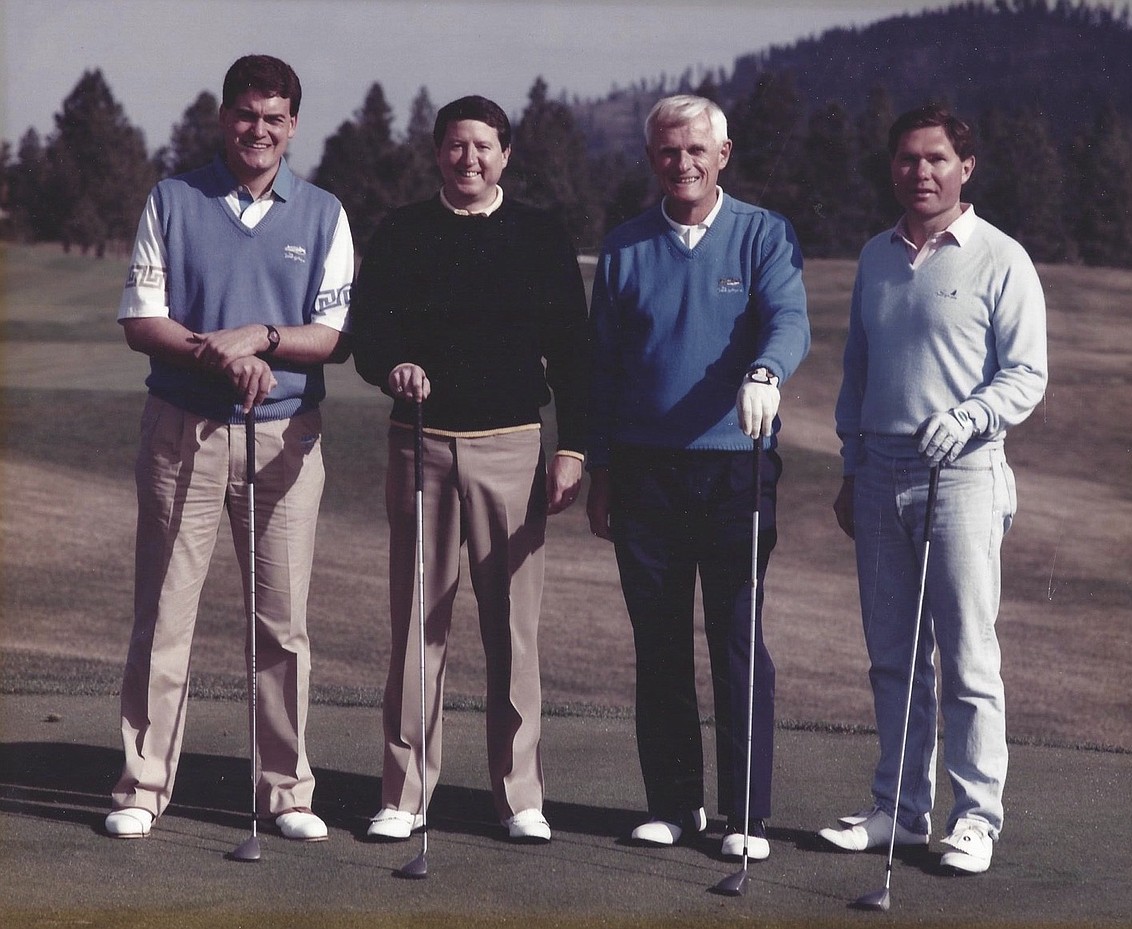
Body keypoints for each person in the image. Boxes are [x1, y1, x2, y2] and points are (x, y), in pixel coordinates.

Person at [105, 55, 354, 843]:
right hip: (185, 431)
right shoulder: (173, 199)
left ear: (293, 125)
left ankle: (287, 790)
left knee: (281, 624)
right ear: (223, 117)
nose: (259, 130)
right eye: (247, 115)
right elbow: (143, 319)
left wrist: (265, 339)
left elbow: (332, 334)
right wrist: (223, 354)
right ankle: (143, 785)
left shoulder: (321, 212)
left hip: (285, 439)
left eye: (275, 118)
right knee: (166, 614)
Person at [349, 95, 589, 845]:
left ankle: (520, 795)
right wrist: (395, 365)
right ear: (437, 153)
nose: (468, 159)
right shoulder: (403, 231)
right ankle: (406, 790)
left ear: (505, 155)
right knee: (418, 624)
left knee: (512, 631)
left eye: (482, 146)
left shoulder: (539, 234)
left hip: (513, 443)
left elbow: (574, 351)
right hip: (419, 442)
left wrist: (573, 447)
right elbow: (370, 332)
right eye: (455, 146)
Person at [818, 104, 1048, 875]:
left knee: (968, 655)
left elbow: (1025, 372)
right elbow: (857, 372)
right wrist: (851, 465)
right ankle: (900, 810)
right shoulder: (876, 256)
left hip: (966, 469)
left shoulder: (1001, 258)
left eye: (938, 159)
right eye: (909, 160)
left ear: (966, 167)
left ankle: (976, 818)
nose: (922, 173)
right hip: (880, 467)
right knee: (894, 654)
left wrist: (974, 413)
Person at [586, 94, 810, 862]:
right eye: (666, 151)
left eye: (695, 150)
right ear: (652, 158)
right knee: (658, 640)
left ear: (723, 155)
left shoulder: (762, 235)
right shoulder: (624, 247)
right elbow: (603, 370)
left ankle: (747, 813)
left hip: (734, 466)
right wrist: (602, 468)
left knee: (737, 638)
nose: (681, 163)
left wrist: (766, 370)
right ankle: (675, 803)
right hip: (646, 471)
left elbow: (789, 319)